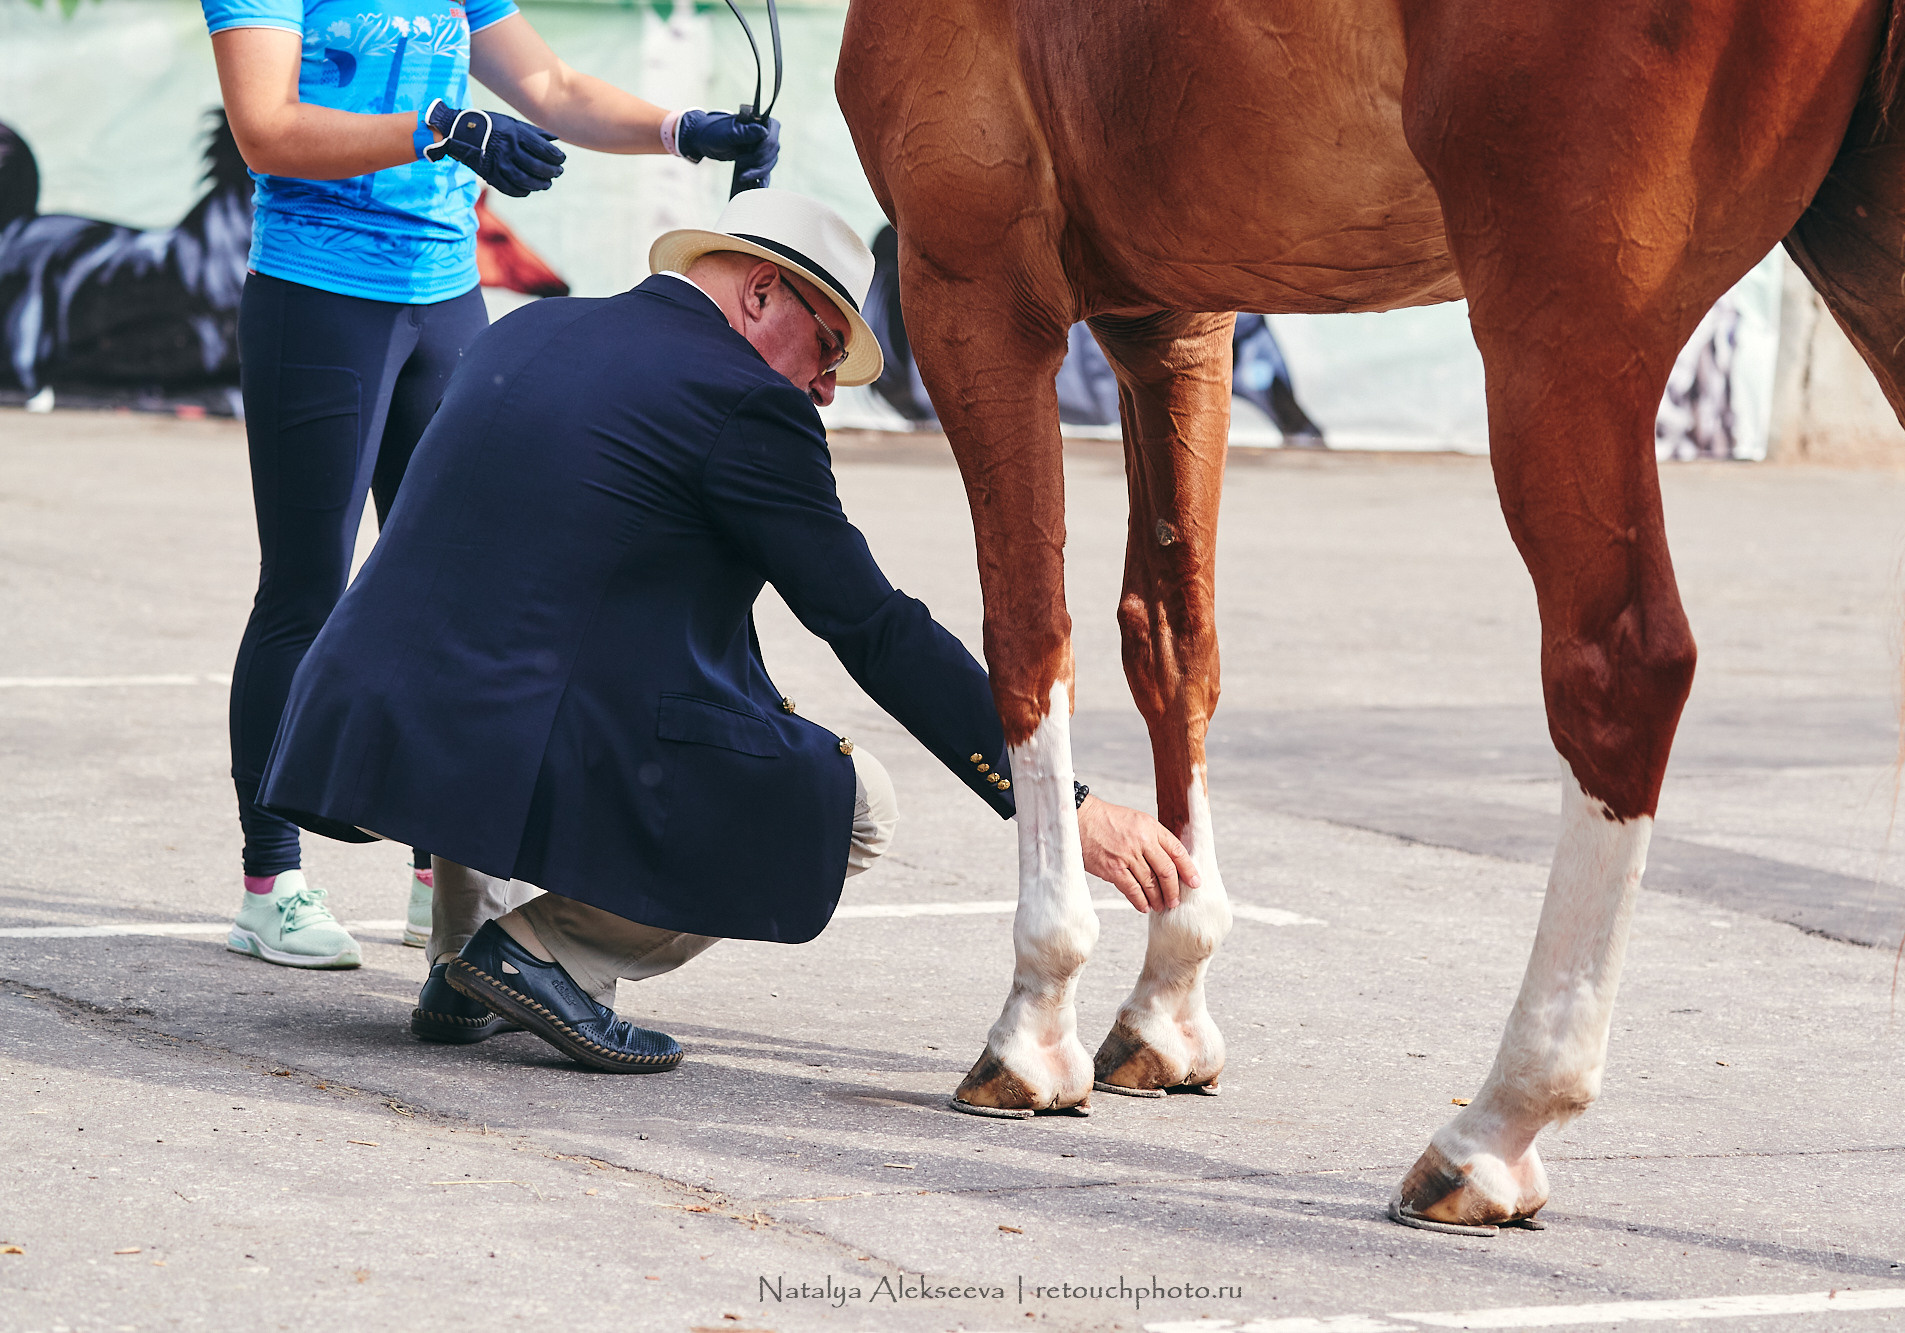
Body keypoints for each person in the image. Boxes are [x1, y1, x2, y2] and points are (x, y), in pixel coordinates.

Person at [255, 189, 1202, 1071]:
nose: (827, 388)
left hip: (363, 723)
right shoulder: (744, 401)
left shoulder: (534, 326)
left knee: (515, 661)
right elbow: (874, 626)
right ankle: (541, 954)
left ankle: (461, 968)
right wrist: (1058, 802)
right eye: (828, 350)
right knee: (856, 805)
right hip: (487, 727)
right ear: (760, 292)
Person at [204, 0, 778, 969]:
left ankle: (446, 876)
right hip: (318, 296)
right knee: (305, 587)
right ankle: (274, 883)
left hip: (443, 297)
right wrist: (439, 127)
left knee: (457, 592)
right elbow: (266, 132)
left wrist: (681, 131)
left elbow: (551, 90)